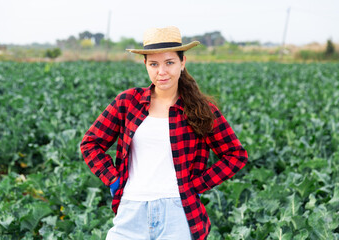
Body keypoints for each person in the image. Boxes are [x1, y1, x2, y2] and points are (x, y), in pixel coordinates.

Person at [80, 26, 248, 240]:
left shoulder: (200, 109)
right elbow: (91, 143)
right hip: (131, 209)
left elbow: (236, 155)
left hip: (178, 213)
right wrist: (114, 179)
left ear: (182, 62)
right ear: (145, 65)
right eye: (154, 64)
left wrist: (196, 185)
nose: (162, 71)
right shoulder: (128, 102)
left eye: (169, 62)